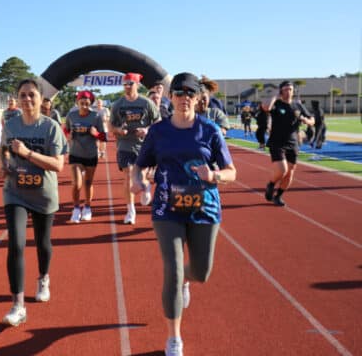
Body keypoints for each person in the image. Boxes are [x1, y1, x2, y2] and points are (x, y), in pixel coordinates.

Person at [131, 72, 237, 356]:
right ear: (170, 97)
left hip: (205, 209)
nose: (184, 98)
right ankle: (173, 338)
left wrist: (214, 175)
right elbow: (140, 165)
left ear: (198, 97)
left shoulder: (210, 130)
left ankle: (188, 280)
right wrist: (138, 180)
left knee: (201, 272)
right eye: (178, 93)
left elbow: (231, 172)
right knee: (173, 272)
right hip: (168, 209)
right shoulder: (159, 131)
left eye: (190, 93)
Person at [0, 78, 67, 326]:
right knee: (16, 243)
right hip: (14, 191)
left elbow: (58, 165)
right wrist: (4, 164)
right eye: (23, 95)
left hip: (43, 193)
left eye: (32, 95)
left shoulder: (50, 128)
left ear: (40, 99)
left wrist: (27, 153)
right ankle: (18, 305)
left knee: (42, 243)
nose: (27, 100)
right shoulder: (11, 124)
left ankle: (43, 277)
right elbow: (4, 149)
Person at [109, 72, 160, 224]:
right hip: (125, 144)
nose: (127, 87)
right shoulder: (118, 104)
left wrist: (147, 130)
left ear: (137, 85)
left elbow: (158, 121)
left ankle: (145, 186)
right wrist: (118, 130)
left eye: (130, 84)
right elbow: (110, 125)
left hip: (143, 145)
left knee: (141, 176)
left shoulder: (146, 103)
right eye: (124, 84)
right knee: (129, 175)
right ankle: (130, 210)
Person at [262, 80, 314, 207]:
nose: (288, 92)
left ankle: (278, 196)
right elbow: (266, 107)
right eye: (285, 89)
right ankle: (271, 184)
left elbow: (312, 120)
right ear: (281, 91)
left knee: (290, 172)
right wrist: (275, 96)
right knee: (282, 169)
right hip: (277, 142)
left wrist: (306, 120)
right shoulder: (276, 104)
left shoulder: (298, 105)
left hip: (293, 142)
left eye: (290, 89)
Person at [64, 90, 106, 222]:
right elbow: (66, 129)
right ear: (77, 102)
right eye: (81, 101)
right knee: (77, 184)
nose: (84, 103)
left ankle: (87, 207)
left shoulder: (96, 117)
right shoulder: (71, 115)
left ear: (91, 103)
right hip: (75, 153)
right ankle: (76, 209)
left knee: (88, 183)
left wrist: (97, 134)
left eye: (87, 101)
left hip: (90, 154)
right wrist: (68, 134)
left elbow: (104, 137)